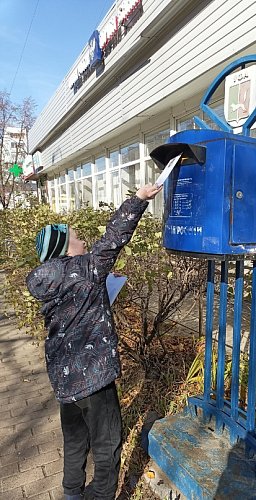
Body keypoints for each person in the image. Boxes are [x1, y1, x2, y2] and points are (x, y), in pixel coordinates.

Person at [26, 184, 162, 500]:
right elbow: (114, 238)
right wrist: (139, 199)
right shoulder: (85, 269)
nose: (84, 240)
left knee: (74, 439)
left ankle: (72, 494)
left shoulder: (49, 280)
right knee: (106, 441)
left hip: (64, 379)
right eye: (77, 238)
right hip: (93, 377)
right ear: (64, 248)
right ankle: (102, 495)